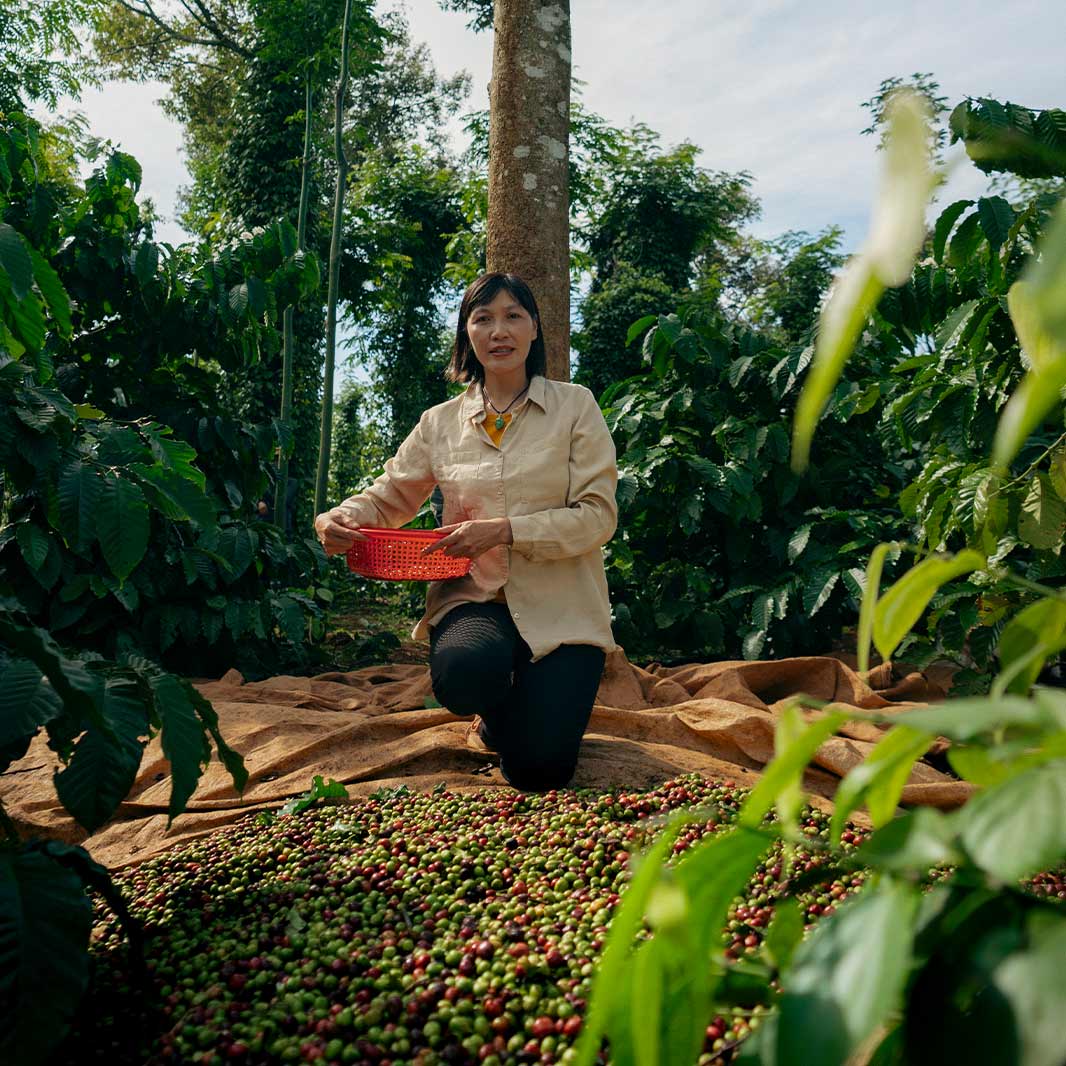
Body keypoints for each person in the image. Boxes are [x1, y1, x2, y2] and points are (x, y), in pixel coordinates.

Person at [313, 272, 618, 791]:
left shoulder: (575, 407)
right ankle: (492, 704)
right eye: (484, 318)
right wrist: (339, 517)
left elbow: (597, 516)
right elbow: (390, 496)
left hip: (563, 609)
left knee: (540, 771)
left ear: (535, 329)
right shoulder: (440, 422)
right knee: (465, 673)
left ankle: (528, 708)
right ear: (467, 333)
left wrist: (503, 530)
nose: (499, 331)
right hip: (475, 600)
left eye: (513, 316)